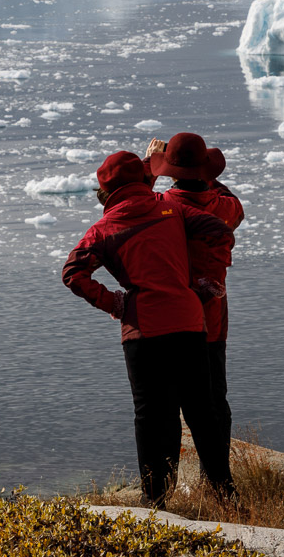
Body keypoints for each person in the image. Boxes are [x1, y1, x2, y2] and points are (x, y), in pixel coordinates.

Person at [62, 151, 235, 504]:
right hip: (188, 321)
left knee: (153, 416)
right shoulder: (169, 208)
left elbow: (73, 274)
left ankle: (155, 501)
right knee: (202, 412)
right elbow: (219, 232)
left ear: (105, 189)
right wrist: (206, 282)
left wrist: (114, 303)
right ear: (142, 180)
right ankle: (226, 495)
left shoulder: (103, 230)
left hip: (144, 330)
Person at [147, 133, 244, 450]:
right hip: (211, 324)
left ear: (170, 172)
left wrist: (149, 172)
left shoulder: (160, 207)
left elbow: (122, 209)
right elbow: (233, 205)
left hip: (167, 320)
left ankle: (164, 482)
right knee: (214, 400)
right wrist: (205, 174)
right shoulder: (225, 208)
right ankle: (216, 475)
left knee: (165, 403)